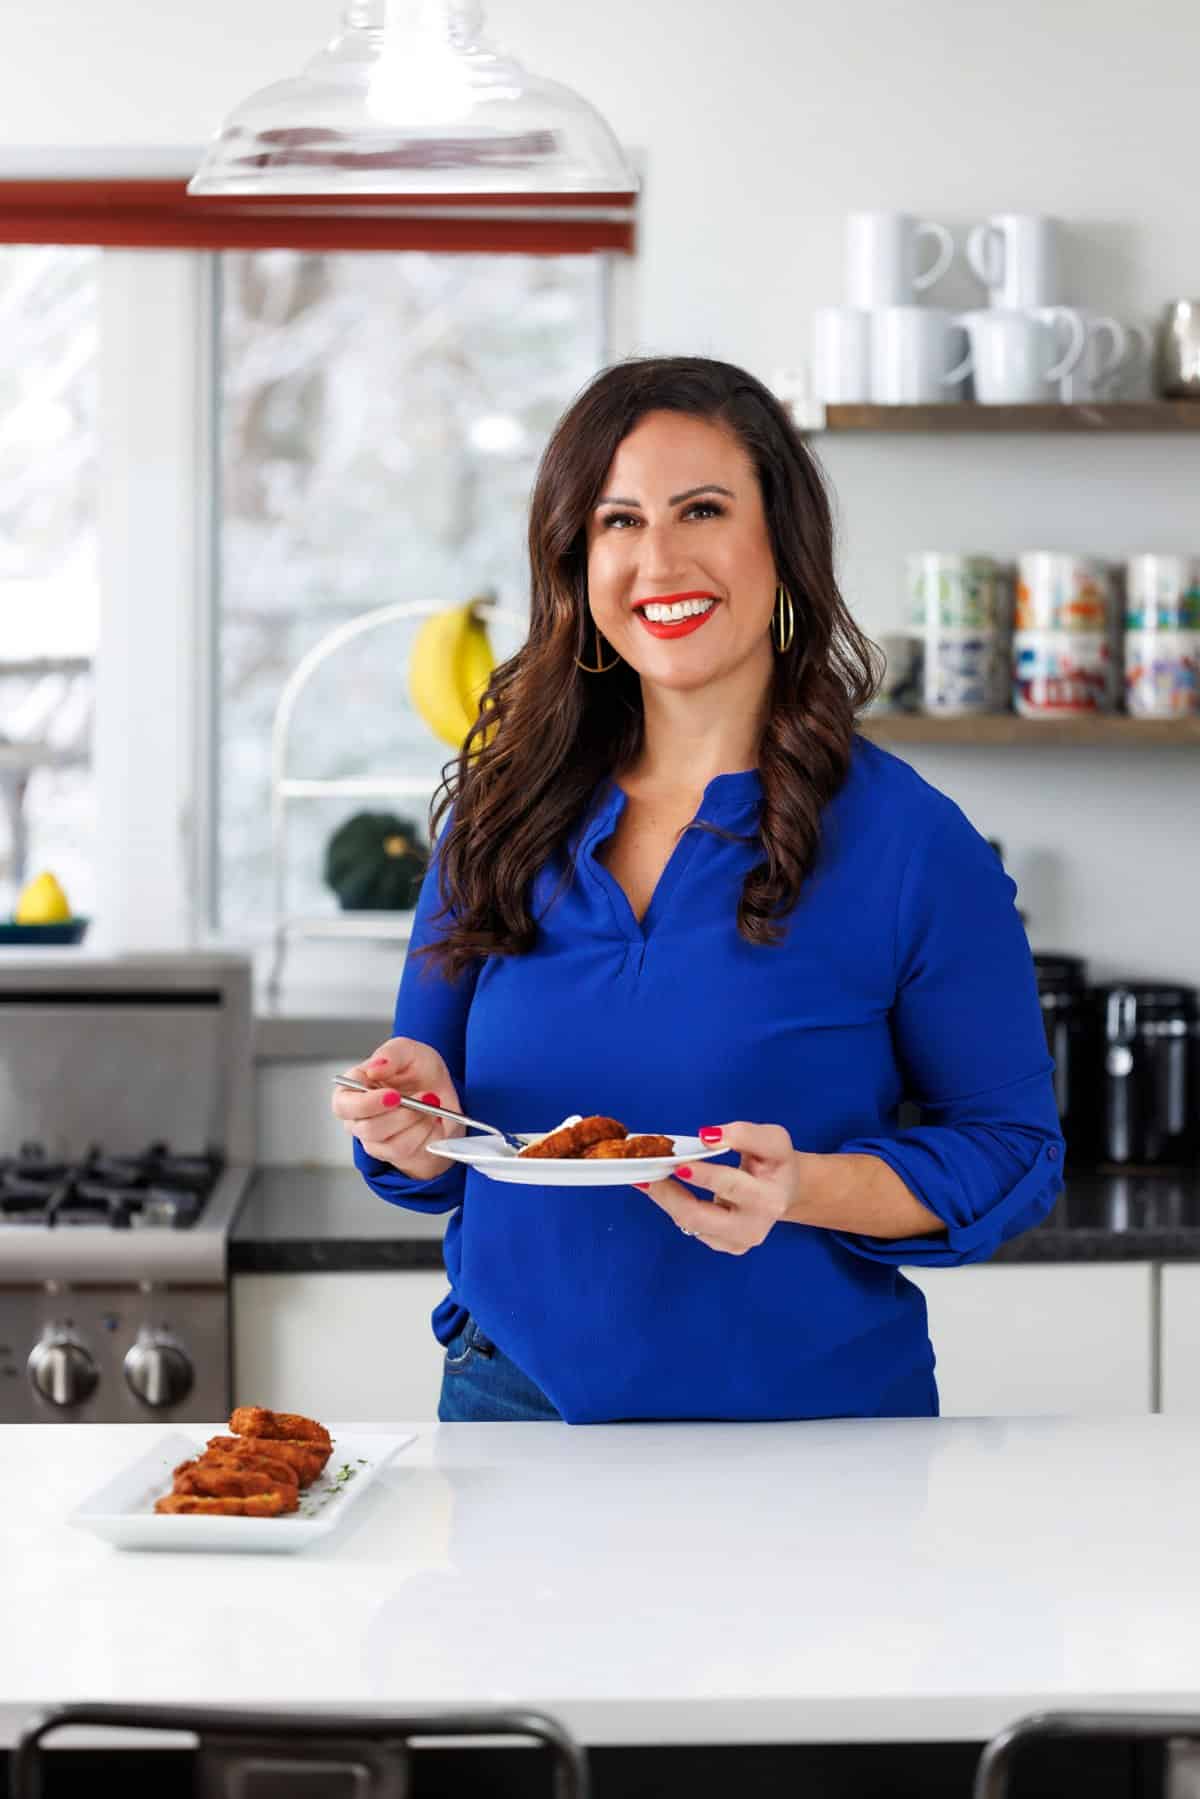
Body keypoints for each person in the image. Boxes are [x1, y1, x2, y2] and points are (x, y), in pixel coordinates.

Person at [332, 355, 1065, 1426]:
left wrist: (803, 1186)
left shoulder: (911, 840)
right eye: (618, 521)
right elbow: (436, 1155)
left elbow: (1012, 1149)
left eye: (703, 510)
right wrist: (405, 1120)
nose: (658, 559)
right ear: (577, 561)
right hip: (511, 1411)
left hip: (814, 1437)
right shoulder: (499, 818)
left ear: (784, 542)